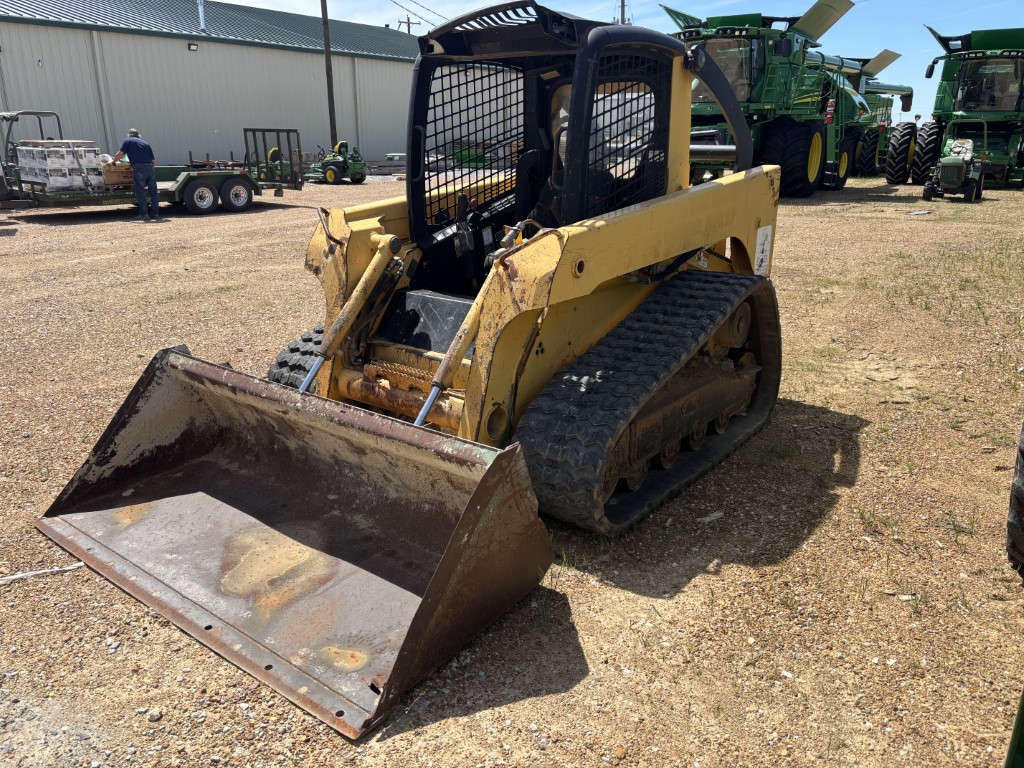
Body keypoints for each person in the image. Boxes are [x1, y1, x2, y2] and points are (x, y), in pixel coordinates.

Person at [112, 129, 160, 221]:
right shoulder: (146, 143)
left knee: (140, 191)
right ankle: (155, 214)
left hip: (138, 169)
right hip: (150, 169)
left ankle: (144, 214)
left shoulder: (128, 140)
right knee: (153, 192)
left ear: (129, 135)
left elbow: (120, 154)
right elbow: (154, 162)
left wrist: (113, 162)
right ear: (139, 135)